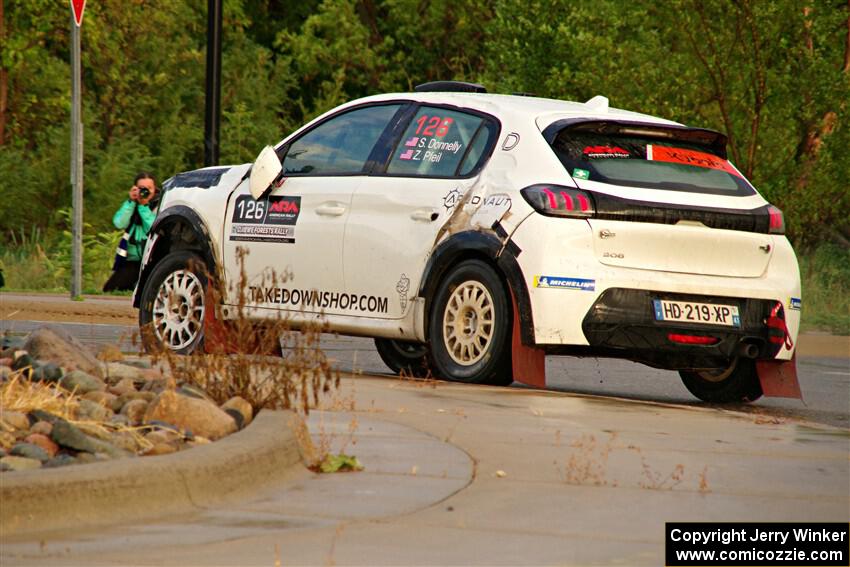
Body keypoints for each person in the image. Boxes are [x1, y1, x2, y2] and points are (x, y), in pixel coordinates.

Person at [102, 172, 159, 292]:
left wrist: (143, 207)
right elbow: (119, 223)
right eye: (141, 188)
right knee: (111, 289)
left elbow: (153, 227)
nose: (145, 191)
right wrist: (131, 202)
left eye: (148, 188)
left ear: (155, 189)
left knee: (146, 291)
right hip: (132, 260)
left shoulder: (159, 205)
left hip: (151, 259)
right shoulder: (131, 204)